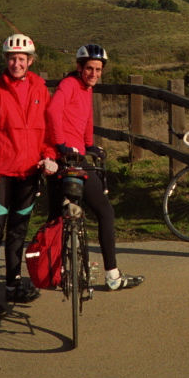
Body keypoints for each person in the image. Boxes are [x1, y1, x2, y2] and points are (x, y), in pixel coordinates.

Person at [0, 34, 58, 317]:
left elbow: (47, 129)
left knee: (18, 233)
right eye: (11, 59)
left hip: (29, 172)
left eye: (21, 59)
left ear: (30, 61)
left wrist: (49, 156)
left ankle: (13, 285)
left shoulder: (40, 89)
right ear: (5, 60)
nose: (16, 63)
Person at [45, 44, 144, 291]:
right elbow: (53, 110)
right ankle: (112, 276)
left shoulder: (86, 89)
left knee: (56, 216)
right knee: (105, 211)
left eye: (98, 70)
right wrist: (61, 144)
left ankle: (55, 272)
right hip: (68, 157)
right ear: (79, 67)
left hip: (66, 156)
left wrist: (90, 144)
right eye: (89, 68)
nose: (94, 74)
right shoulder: (70, 84)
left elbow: (87, 119)